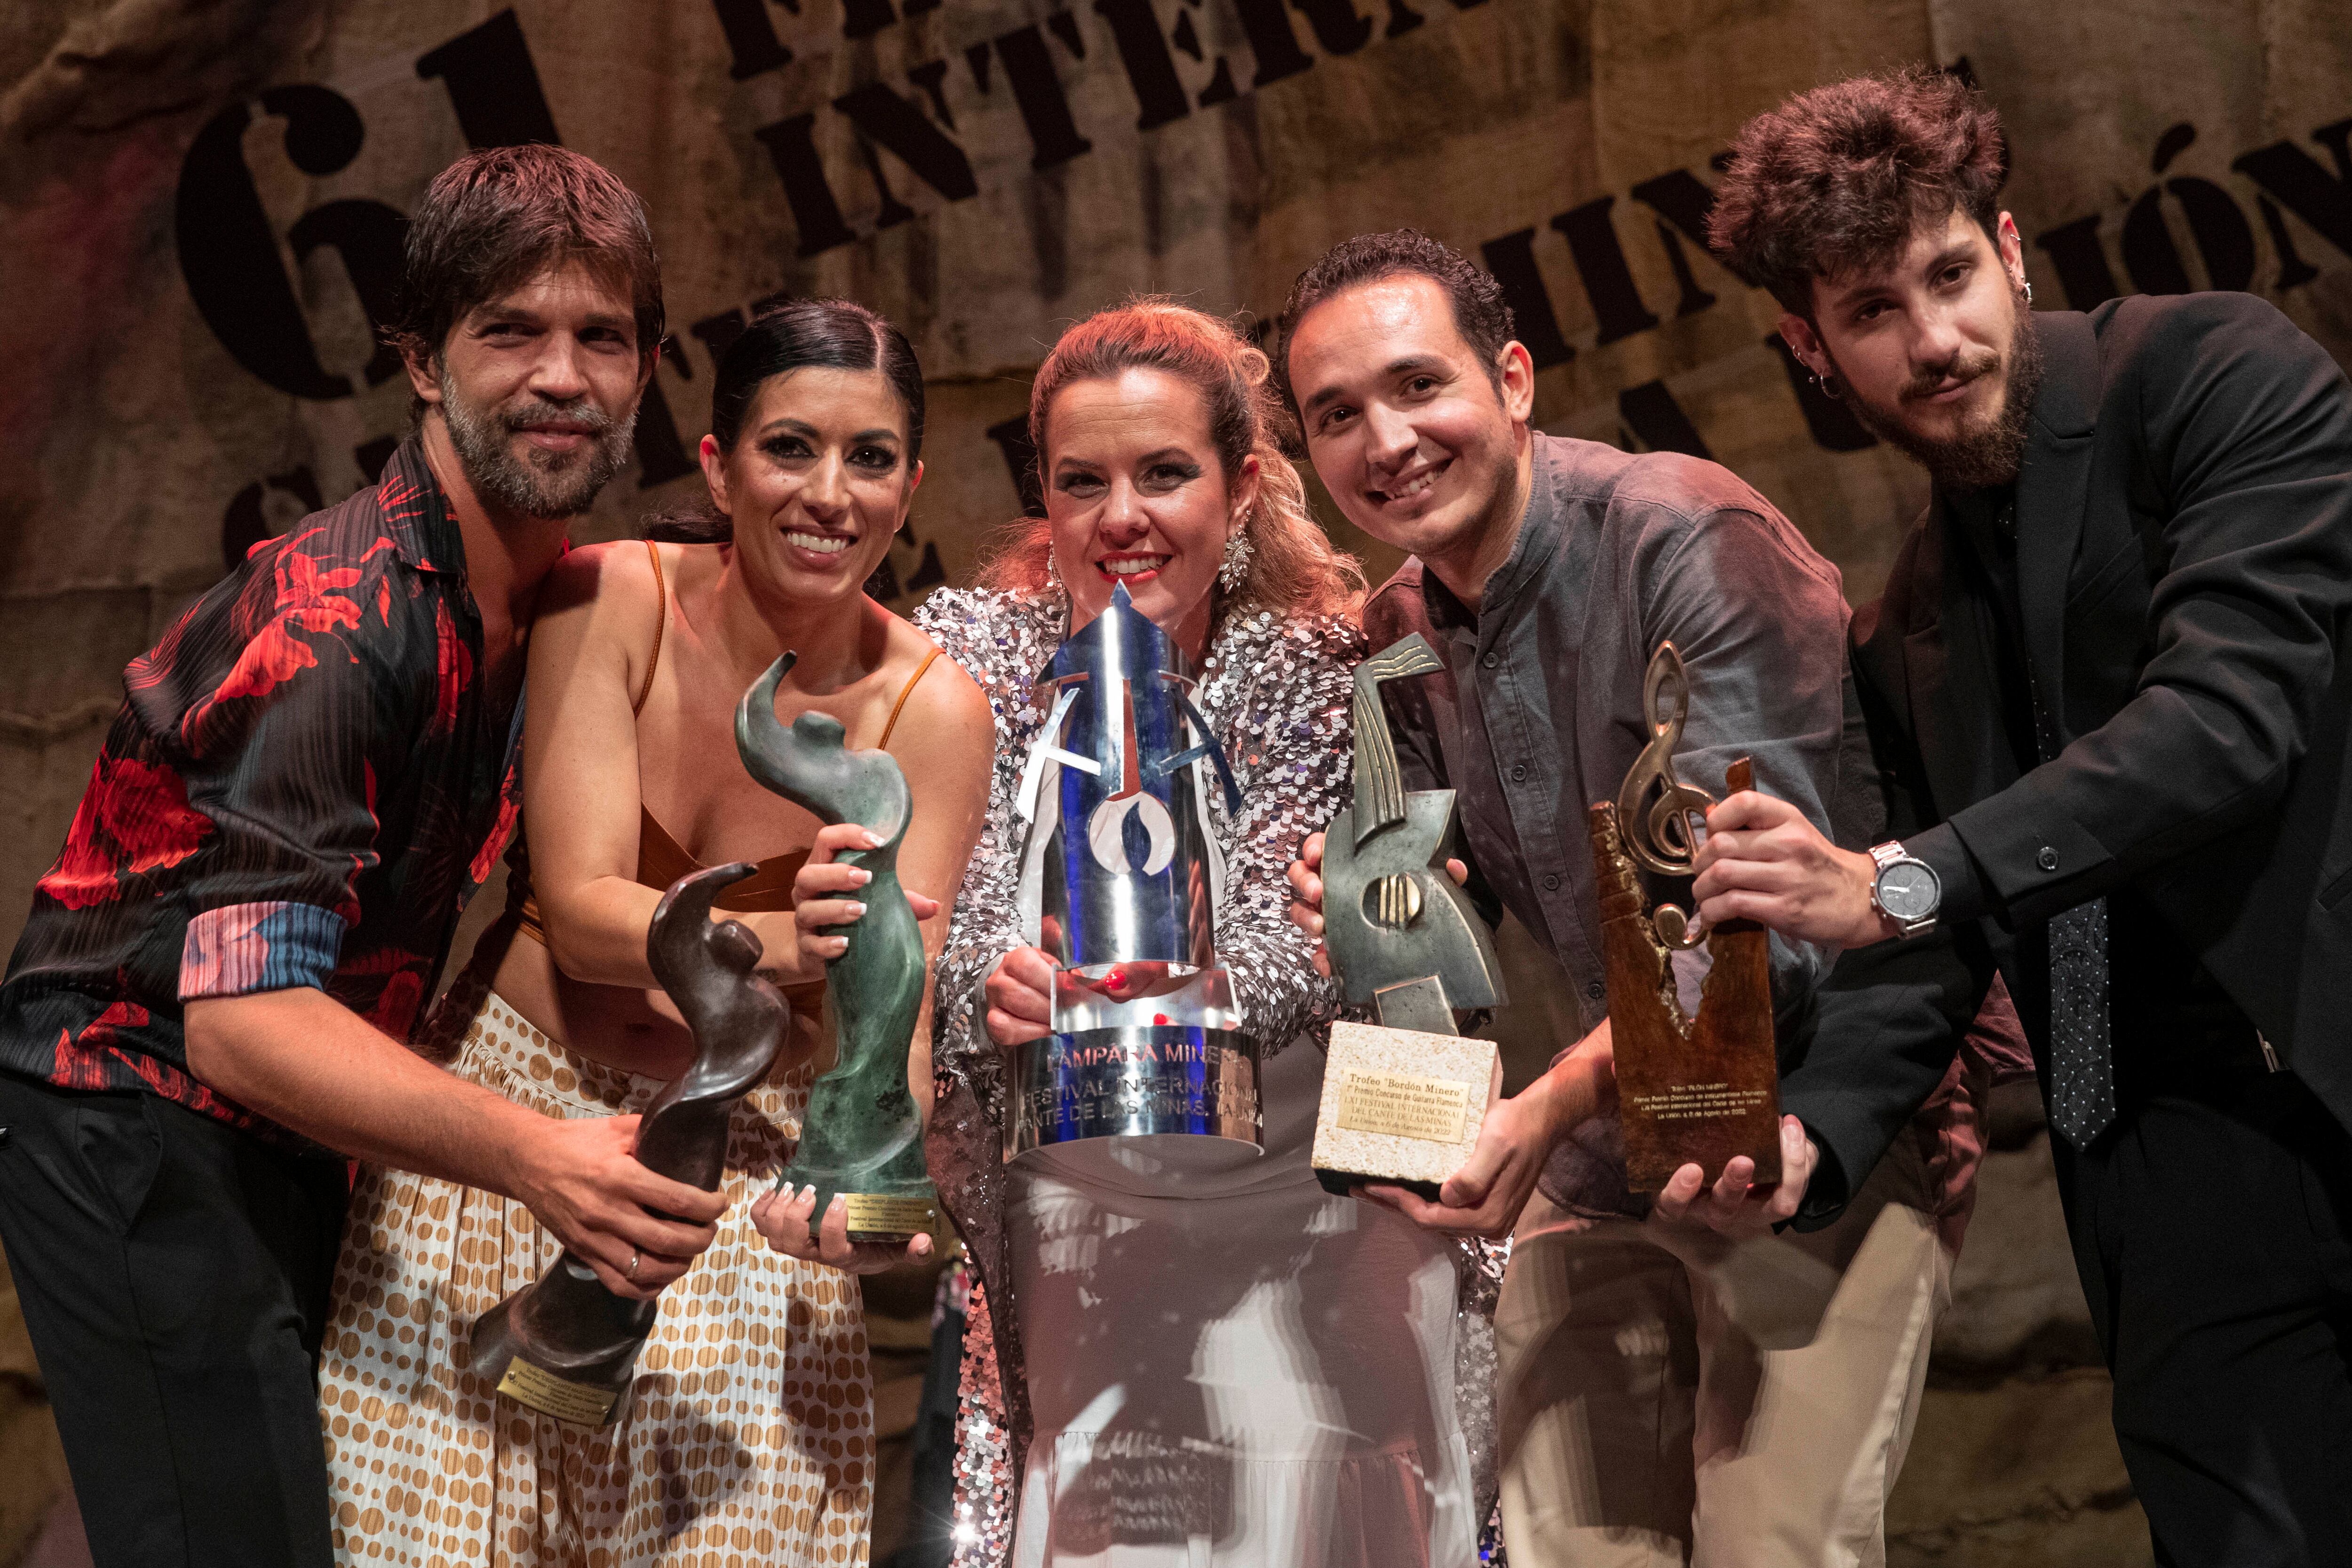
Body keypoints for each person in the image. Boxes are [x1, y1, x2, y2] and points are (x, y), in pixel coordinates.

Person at [0, 147, 725, 1568]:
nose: (563, 377)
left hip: (307, 1134)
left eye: (603, 337)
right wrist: (537, 1159)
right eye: (511, 332)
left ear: (648, 366)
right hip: (132, 1111)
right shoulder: (340, 617)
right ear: (422, 361)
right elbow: (242, 1021)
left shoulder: (559, 611)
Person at [1277, 230, 2026, 1566]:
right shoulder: (1397, 635)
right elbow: (1420, 939)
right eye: (1339, 415)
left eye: (1416, 387)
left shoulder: (1686, 534)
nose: (1385, 440)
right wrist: (1371, 953)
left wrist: (1546, 1100)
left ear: (1511, 379)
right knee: (1566, 1548)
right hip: (1607, 1159)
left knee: (1771, 1546)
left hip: (1807, 1113)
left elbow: (1762, 936)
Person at [1694, 67, 2352, 1565]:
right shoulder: (1904, 623)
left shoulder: (2208, 375)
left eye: (1948, 276)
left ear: (2010, 247)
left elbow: (2227, 723)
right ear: (1810, 347)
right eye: (1873, 311)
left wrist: (1901, 879)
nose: (1933, 340)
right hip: (2175, 1187)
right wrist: (1811, 1133)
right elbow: (1937, 943)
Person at [317, 297, 993, 1566]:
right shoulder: (609, 594)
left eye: (870, 457)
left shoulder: (936, 709)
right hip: (520, 1129)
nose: (829, 494)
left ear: (913, 482)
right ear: (719, 462)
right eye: (791, 448)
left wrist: (874, 1218)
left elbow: (890, 1045)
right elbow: (580, 915)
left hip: (744, 1182)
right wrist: (798, 941)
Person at [864, 298, 1496, 1568]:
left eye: (1164, 474)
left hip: (1330, 1220)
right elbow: (920, 926)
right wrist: (989, 978)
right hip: (1088, 1232)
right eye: (1080, 482)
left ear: (1244, 483)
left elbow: (1416, 979)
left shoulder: (1351, 665)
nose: (1121, 520)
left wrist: (1374, 947)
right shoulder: (961, 664)